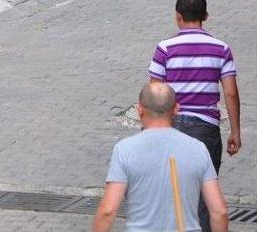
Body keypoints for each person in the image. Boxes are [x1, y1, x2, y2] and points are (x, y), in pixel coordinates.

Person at [148, 0, 240, 231]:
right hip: (206, 131)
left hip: (171, 130)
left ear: (177, 17)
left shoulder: (164, 49)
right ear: (206, 16)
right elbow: (231, 93)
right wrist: (235, 131)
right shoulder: (221, 49)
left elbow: (155, 95)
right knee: (203, 198)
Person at [93, 83, 228, 232]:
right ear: (176, 109)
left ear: (140, 110)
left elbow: (108, 211)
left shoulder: (125, 150)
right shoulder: (198, 149)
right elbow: (219, 211)